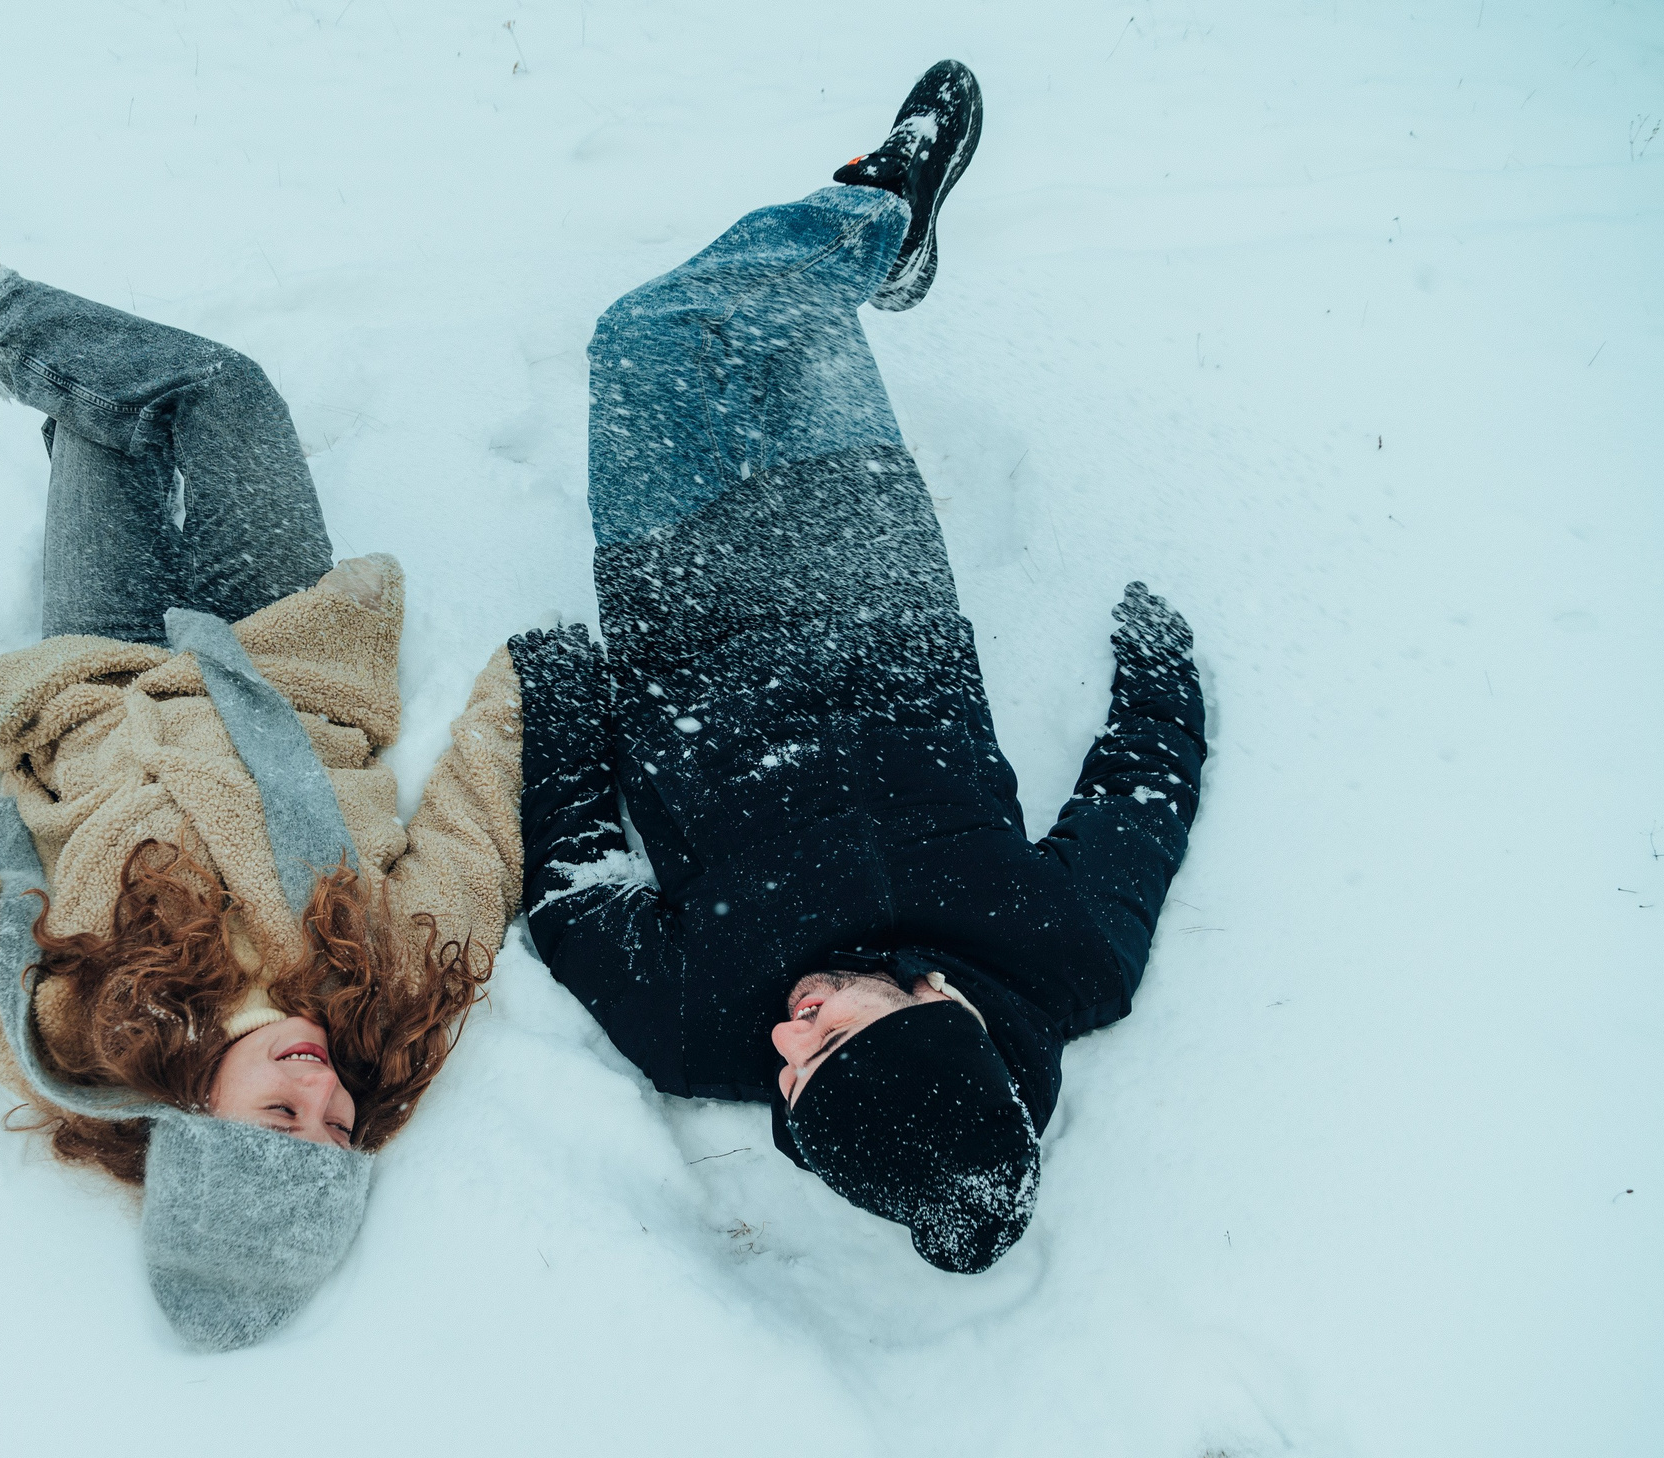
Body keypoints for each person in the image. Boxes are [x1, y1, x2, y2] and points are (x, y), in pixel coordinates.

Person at [0, 168, 527, 1348]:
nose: (325, 1088)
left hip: (91, 683)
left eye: (283, 1113)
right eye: (335, 1128)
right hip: (290, 651)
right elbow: (474, 835)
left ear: (194, 1120)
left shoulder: (68, 1029)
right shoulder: (388, 999)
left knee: (97, 431)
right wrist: (531, 678)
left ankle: (12, 349)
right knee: (219, 393)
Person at [507, 63, 1208, 1273]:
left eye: (791, 1076)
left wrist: (564, 710)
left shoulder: (692, 1029)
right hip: (870, 582)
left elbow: (573, 889)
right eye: (832, 1040)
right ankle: (877, 224)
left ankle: (880, 215)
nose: (788, 1034)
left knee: (644, 335)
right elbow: (1136, 810)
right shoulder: (1064, 962)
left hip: (683, 617)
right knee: (792, 324)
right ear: (941, 1007)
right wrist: (1160, 677)